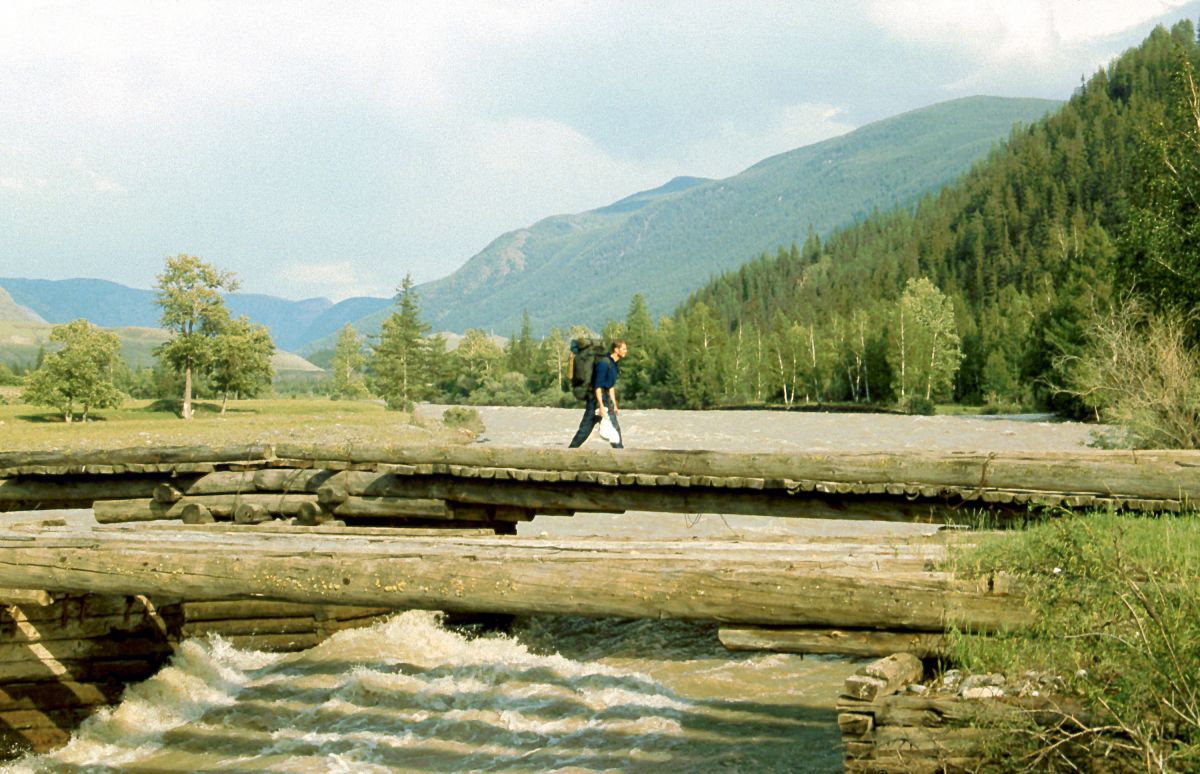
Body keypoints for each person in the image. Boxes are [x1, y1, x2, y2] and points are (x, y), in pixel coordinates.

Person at [568, 339, 627, 448]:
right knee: (584, 431)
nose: (626, 351)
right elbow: (598, 386)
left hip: (605, 400)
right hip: (596, 400)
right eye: (623, 349)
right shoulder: (604, 363)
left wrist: (615, 406)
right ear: (616, 349)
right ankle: (569, 452)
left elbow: (610, 386)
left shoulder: (614, 364)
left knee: (614, 429)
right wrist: (600, 405)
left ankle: (620, 455)